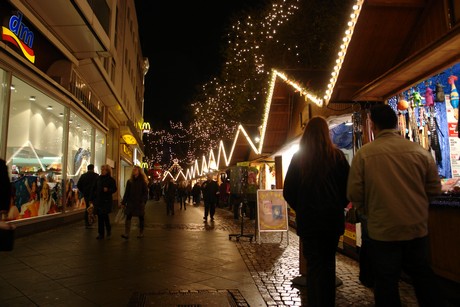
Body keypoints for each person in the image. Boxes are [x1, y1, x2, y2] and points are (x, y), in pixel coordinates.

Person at [347, 104, 446, 307]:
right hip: (416, 228)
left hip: (383, 230)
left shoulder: (364, 155)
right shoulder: (419, 151)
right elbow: (435, 188)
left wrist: (368, 212)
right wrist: (417, 205)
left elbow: (354, 193)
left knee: (386, 281)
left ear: (373, 125)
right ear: (396, 124)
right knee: (422, 276)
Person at [283, 116, 350, 307]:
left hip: (309, 221)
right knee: (328, 264)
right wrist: (338, 205)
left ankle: (313, 303)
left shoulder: (299, 158)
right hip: (331, 221)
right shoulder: (337, 157)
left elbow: (289, 190)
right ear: (325, 134)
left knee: (313, 266)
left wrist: (302, 207)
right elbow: (348, 189)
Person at [121, 166, 148, 239]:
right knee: (128, 216)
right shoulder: (130, 181)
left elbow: (145, 193)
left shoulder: (143, 181)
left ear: (139, 171)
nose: (133, 171)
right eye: (133, 170)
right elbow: (126, 193)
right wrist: (123, 202)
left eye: (135, 170)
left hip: (139, 202)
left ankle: (141, 232)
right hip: (131, 202)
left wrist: (143, 201)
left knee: (141, 217)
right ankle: (126, 233)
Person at [92, 164, 117, 240]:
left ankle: (108, 229)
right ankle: (101, 233)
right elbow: (94, 188)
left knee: (104, 216)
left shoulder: (111, 180)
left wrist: (108, 190)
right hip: (99, 200)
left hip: (106, 201)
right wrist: (92, 197)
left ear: (107, 171)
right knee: (100, 217)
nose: (102, 171)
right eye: (101, 169)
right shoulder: (98, 178)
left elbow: (114, 189)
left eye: (103, 170)